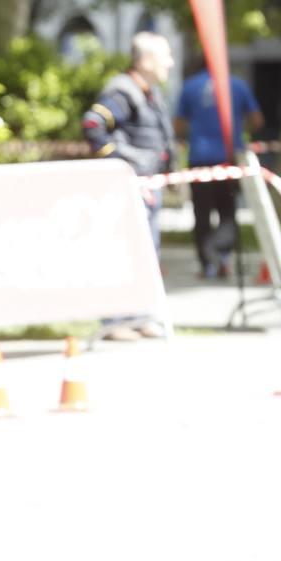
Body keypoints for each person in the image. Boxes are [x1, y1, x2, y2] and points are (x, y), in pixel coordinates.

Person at [82, 31, 174, 339]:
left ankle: (139, 316)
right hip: (129, 187)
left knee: (145, 251)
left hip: (145, 186)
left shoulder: (146, 90)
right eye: (166, 57)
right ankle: (115, 321)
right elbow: (93, 125)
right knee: (123, 251)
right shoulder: (124, 91)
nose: (171, 63)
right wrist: (123, 162)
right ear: (146, 60)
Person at [175, 61, 264, 279]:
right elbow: (256, 119)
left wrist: (195, 132)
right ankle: (222, 258)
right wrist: (239, 132)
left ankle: (207, 263)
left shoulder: (190, 86)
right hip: (229, 157)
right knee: (227, 213)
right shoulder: (238, 85)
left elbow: (178, 124)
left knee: (201, 214)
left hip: (199, 158)